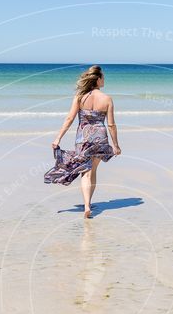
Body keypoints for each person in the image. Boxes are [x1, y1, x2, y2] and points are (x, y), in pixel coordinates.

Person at [44, 65, 121, 218]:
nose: (104, 80)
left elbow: (69, 119)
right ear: (98, 79)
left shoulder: (79, 97)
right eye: (103, 78)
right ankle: (89, 204)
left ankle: (86, 206)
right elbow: (111, 124)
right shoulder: (107, 99)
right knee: (93, 171)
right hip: (100, 137)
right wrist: (116, 145)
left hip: (83, 139)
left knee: (85, 173)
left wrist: (58, 137)